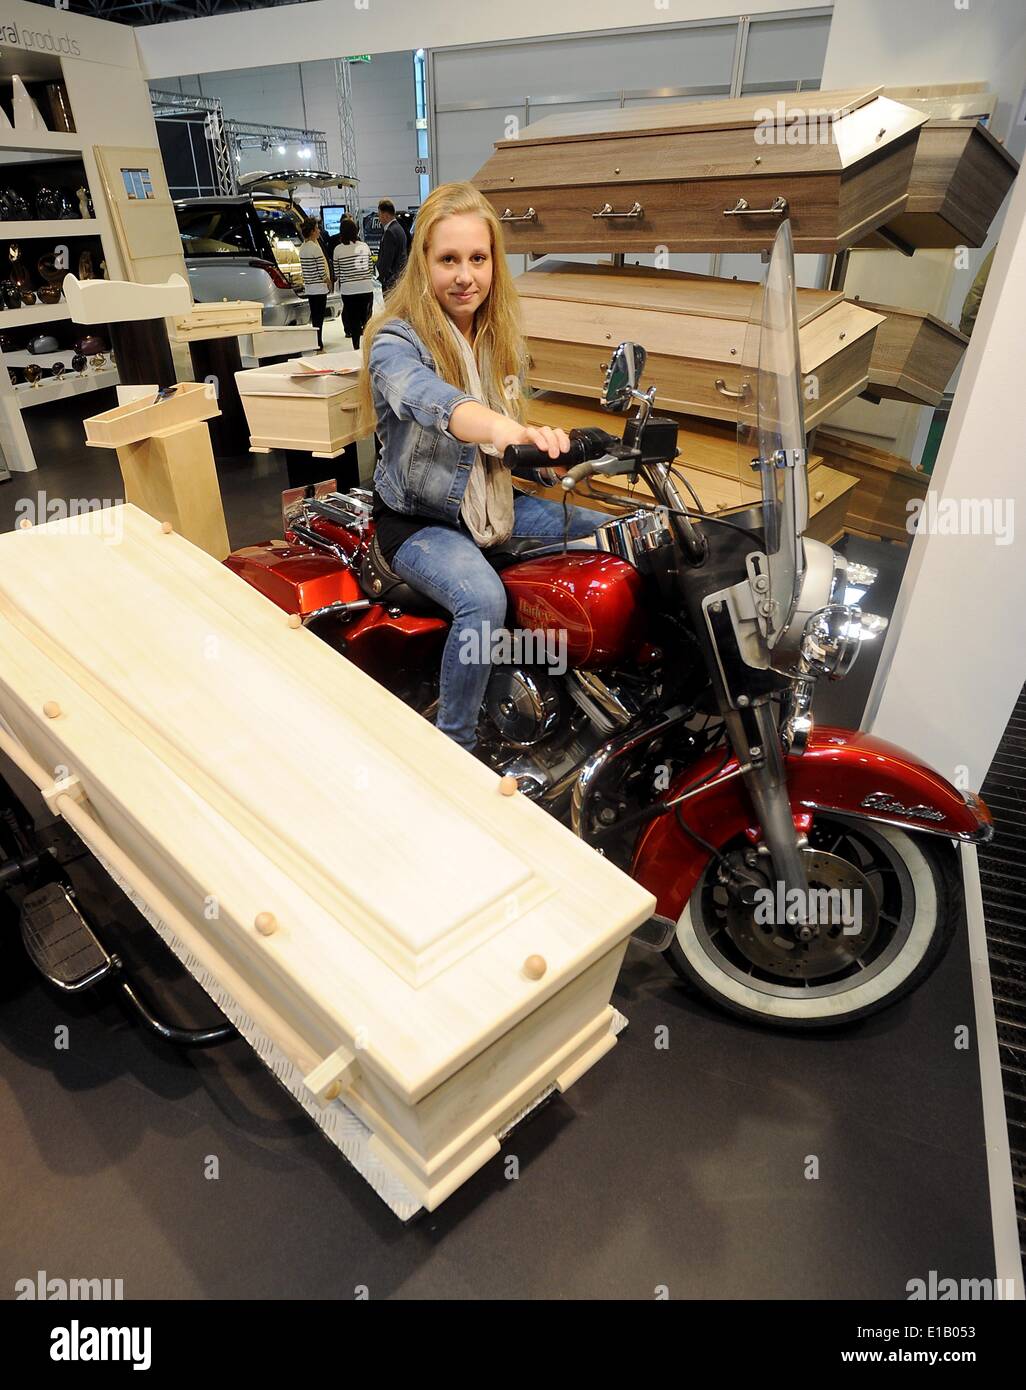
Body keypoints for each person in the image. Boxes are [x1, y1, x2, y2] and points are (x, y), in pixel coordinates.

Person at [358, 181, 604, 753]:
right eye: (448, 260)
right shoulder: (396, 342)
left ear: (495, 262)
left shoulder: (494, 340)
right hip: (421, 524)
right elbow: (428, 399)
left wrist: (556, 454)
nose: (464, 274)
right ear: (422, 264)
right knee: (483, 600)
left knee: (613, 539)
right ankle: (456, 747)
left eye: (477, 257)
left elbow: (511, 441)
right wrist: (504, 429)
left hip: (493, 505)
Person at [332, 217, 375, 350]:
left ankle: (356, 348)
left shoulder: (338, 250)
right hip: (366, 287)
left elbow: (337, 273)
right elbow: (370, 268)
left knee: (354, 321)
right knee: (367, 320)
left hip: (349, 290)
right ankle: (369, 348)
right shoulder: (364, 246)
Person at [298, 217, 332, 350]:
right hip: (319, 288)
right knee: (319, 317)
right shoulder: (315, 248)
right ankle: (319, 342)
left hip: (310, 288)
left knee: (315, 317)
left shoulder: (302, 248)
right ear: (312, 231)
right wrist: (328, 281)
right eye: (317, 228)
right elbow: (321, 270)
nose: (319, 231)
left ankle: (316, 341)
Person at [375, 198, 408, 295]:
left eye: (379, 215)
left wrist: (380, 279)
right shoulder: (399, 228)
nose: (379, 219)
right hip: (398, 278)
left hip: (391, 282)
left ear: (385, 215)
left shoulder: (390, 232)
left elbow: (386, 259)